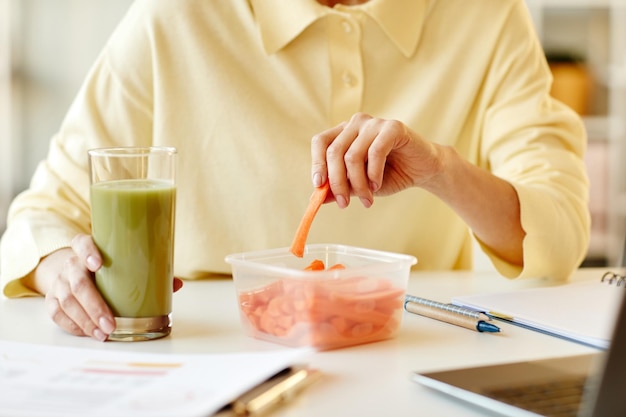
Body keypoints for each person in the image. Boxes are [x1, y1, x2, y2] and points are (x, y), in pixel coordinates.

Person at [0, 0, 590, 342]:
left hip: (409, 351)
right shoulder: (174, 17)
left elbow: (559, 229)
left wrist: (440, 169)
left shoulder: (486, 16)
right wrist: (63, 272)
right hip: (210, 356)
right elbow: (41, 216)